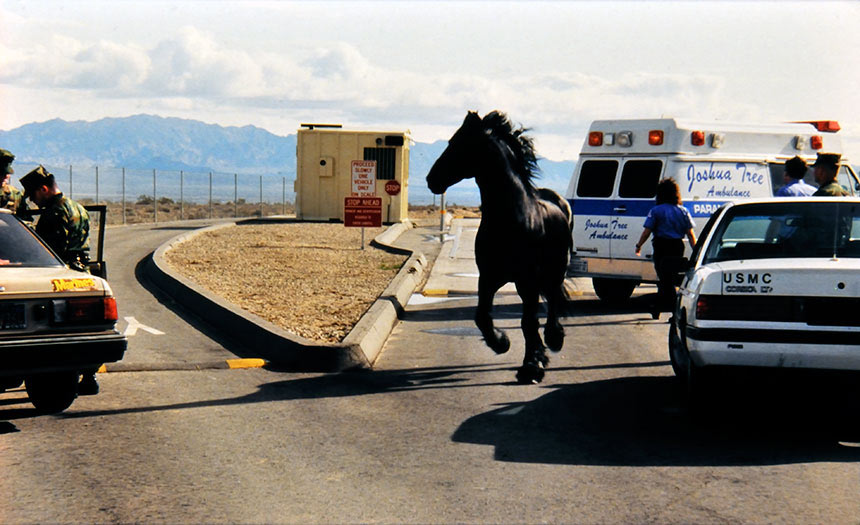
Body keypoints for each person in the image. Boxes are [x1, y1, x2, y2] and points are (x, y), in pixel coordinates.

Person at [19, 165, 99, 395]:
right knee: (85, 330)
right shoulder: (78, 208)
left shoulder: (53, 214)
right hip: (83, 273)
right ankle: (89, 376)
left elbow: (47, 251)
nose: (34, 202)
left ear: (44, 189)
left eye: (34, 196)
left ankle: (60, 379)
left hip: (60, 277)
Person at [635, 179, 696, 319]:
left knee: (664, 279)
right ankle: (665, 309)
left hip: (662, 246)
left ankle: (665, 308)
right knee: (671, 278)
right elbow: (690, 234)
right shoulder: (683, 211)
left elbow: (647, 231)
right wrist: (696, 251)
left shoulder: (656, 211)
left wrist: (639, 245)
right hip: (677, 246)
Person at [0, 148, 25, 214]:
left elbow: (25, 221)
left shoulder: (14, 195)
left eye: (7, 173)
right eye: (2, 174)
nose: (6, 177)